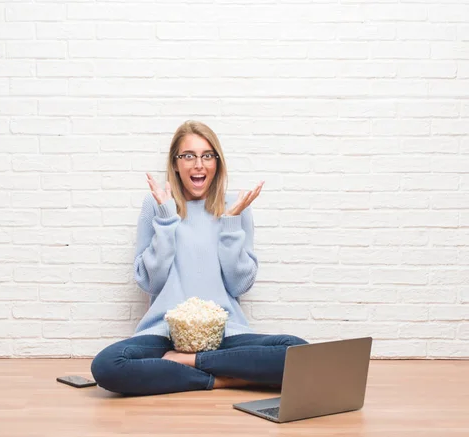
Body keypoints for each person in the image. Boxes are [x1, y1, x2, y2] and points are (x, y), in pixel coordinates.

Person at [91, 120, 307, 396]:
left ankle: (189, 365)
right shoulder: (156, 204)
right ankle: (224, 380)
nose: (198, 164)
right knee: (107, 365)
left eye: (207, 155)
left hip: (225, 333)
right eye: (188, 156)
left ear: (217, 162)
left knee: (298, 351)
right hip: (164, 335)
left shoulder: (235, 207)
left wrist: (230, 224)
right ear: (176, 163)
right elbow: (149, 281)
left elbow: (239, 285)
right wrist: (167, 219)